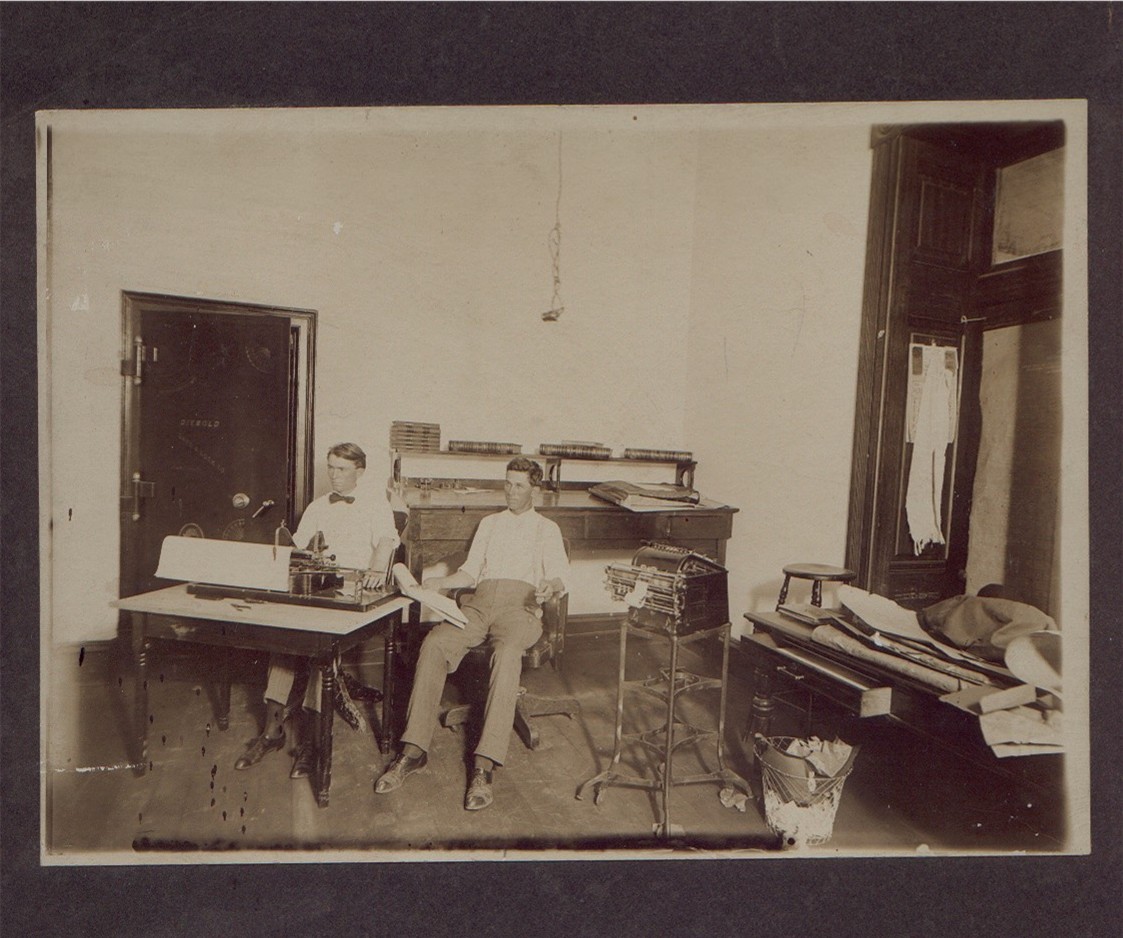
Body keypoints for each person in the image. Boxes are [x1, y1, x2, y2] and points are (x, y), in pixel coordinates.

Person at [374, 456, 568, 811]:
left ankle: (484, 765)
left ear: (534, 490)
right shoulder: (489, 523)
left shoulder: (547, 529)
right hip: (478, 605)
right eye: (507, 484)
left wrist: (548, 587)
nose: (511, 492)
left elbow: (558, 578)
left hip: (520, 609)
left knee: (507, 654)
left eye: (519, 486)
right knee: (434, 643)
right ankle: (413, 751)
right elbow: (469, 572)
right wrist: (440, 582)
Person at [234, 442, 399, 778]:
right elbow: (296, 547)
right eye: (331, 468)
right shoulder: (317, 506)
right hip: (318, 586)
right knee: (284, 645)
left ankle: (311, 743)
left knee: (319, 651)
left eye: (342, 469)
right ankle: (271, 732)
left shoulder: (376, 505)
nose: (335, 476)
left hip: (353, 590)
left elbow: (387, 540)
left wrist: (378, 566)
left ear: (360, 472)